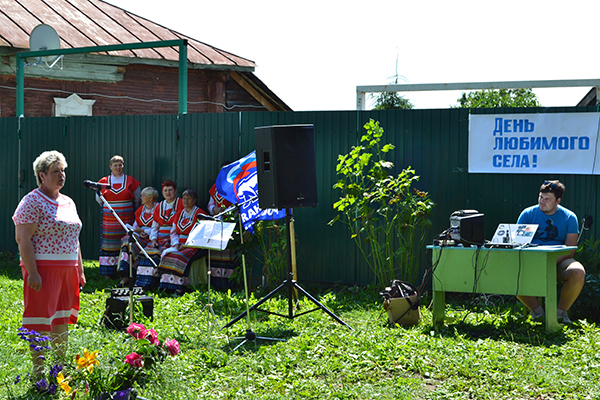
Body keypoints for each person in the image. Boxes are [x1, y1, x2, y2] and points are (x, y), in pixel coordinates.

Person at [12, 150, 84, 376]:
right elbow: (22, 239)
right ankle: (39, 372)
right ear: (41, 175)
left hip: (67, 271)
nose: (61, 175)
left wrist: (80, 271)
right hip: (43, 270)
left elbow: (75, 238)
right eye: (56, 171)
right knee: (41, 320)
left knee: (61, 318)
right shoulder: (31, 201)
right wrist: (32, 272)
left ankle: (59, 369)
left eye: (63, 171)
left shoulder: (68, 201)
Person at [516, 180, 586, 324]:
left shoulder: (569, 217)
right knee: (511, 273)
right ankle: (538, 312)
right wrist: (536, 261)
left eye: (547, 199)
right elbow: (517, 243)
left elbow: (570, 249)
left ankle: (560, 314)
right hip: (531, 259)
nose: (542, 201)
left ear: (558, 201)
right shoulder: (527, 214)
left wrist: (548, 261)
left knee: (578, 271)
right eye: (541, 197)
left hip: (559, 259)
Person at [97, 155, 141, 279]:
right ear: (110, 167)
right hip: (109, 220)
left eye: (120, 165)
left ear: (123, 166)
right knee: (108, 243)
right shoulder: (104, 181)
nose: (118, 167)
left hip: (126, 218)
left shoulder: (131, 181)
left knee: (125, 241)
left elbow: (137, 198)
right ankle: (108, 272)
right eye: (115, 165)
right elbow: (99, 199)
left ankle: (125, 270)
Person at [157, 189, 208, 294]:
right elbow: (173, 232)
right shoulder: (179, 214)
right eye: (184, 199)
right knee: (167, 255)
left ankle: (180, 287)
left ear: (194, 200)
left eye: (189, 199)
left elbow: (200, 234)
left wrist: (186, 245)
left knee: (180, 257)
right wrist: (176, 244)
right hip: (179, 245)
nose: (186, 201)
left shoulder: (200, 214)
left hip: (194, 246)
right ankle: (166, 285)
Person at [135, 180, 183, 289]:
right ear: (162, 193)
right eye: (165, 190)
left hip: (173, 240)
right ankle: (143, 283)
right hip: (159, 240)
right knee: (147, 253)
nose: (168, 193)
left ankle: (160, 283)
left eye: (170, 190)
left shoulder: (180, 203)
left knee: (164, 254)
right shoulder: (160, 206)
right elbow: (154, 227)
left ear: (175, 191)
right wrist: (153, 240)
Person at [117, 186, 159, 287]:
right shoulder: (141, 210)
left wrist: (144, 231)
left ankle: (128, 273)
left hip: (153, 237)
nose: (141, 198)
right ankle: (125, 272)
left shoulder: (158, 209)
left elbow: (158, 227)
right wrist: (139, 232)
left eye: (143, 196)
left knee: (132, 244)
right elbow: (135, 226)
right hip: (141, 236)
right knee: (128, 240)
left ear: (151, 198)